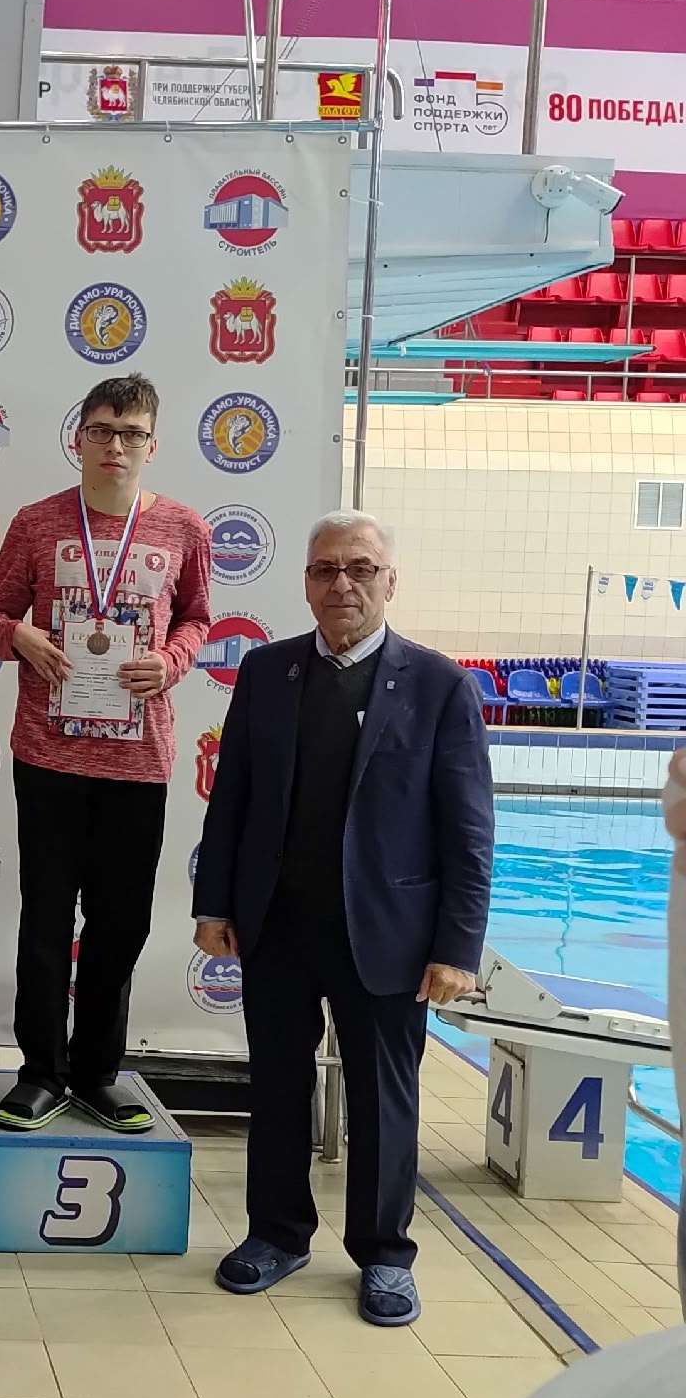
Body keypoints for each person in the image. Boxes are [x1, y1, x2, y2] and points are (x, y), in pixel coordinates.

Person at [192, 510, 493, 1326]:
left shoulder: (440, 686)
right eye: (326, 569)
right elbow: (233, 798)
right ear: (305, 583)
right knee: (277, 1088)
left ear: (390, 581)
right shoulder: (266, 672)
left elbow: (469, 831)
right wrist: (214, 903)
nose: (343, 584)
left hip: (388, 935)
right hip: (278, 925)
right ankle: (276, 1234)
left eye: (360, 568)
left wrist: (457, 947)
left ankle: (385, 1254)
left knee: (384, 1101)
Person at [0, 374, 212, 1134]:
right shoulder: (37, 523)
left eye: (131, 433)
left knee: (121, 924)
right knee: (45, 921)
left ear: (152, 446)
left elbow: (199, 619)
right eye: (102, 430)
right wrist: (20, 635)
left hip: (139, 762)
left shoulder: (182, 528)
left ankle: (98, 1073)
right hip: (49, 756)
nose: (116, 445)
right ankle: (41, 1073)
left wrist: (170, 660)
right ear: (79, 439)